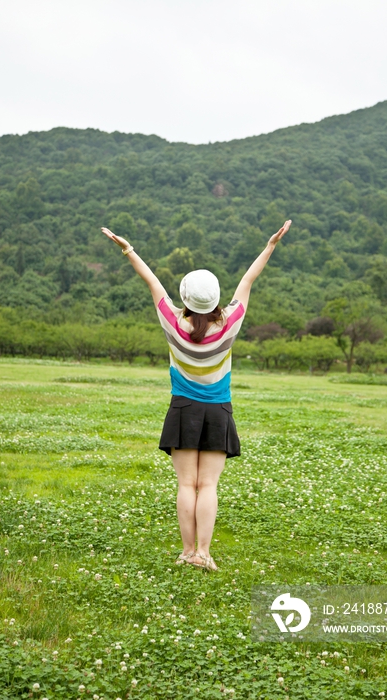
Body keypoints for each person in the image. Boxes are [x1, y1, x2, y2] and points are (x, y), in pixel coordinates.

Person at [101, 220, 292, 570]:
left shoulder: (173, 324)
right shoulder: (230, 324)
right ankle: (204, 554)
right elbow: (248, 281)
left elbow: (152, 282)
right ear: (217, 299)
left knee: (187, 484)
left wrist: (128, 249)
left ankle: (187, 553)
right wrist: (270, 245)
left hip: (183, 409)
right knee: (209, 485)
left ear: (186, 299)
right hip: (218, 410)